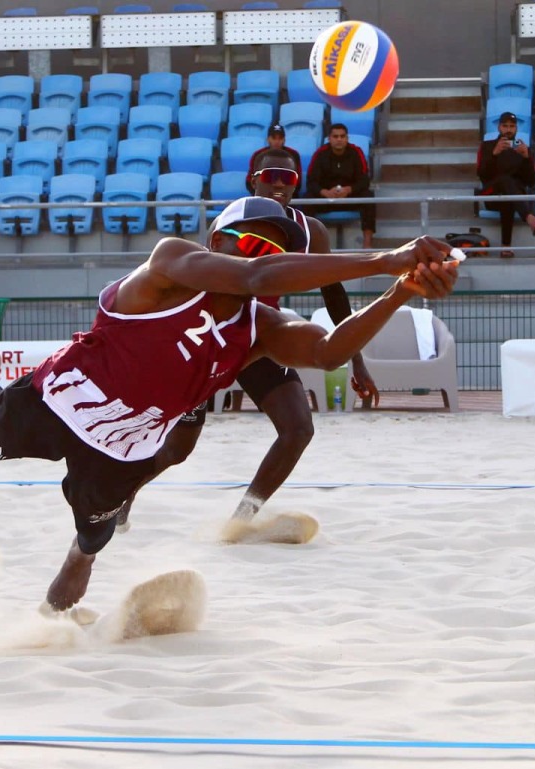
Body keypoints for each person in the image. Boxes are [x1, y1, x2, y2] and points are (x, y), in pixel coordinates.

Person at [0, 196, 460, 612]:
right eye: (254, 244)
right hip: (62, 398)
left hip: (125, 440)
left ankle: (71, 574)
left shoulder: (263, 326)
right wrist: (385, 259)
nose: (263, 257)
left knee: (90, 541)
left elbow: (328, 352)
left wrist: (398, 291)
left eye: (279, 253)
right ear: (217, 241)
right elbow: (257, 276)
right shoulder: (173, 260)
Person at [114, 147, 380, 535]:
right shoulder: (231, 222)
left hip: (259, 336)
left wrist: (356, 358)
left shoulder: (311, 231)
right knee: (177, 449)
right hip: (213, 337)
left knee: (298, 430)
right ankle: (120, 499)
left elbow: (333, 294)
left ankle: (241, 520)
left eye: (287, 178)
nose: (278, 184)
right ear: (252, 180)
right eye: (271, 175)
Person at [477, 111, 535, 258]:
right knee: (505, 180)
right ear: (498, 127)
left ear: (516, 129)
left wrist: (526, 158)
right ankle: (530, 218)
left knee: (508, 197)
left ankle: (506, 247)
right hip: (491, 194)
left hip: (514, 197)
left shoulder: (523, 149)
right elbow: (482, 174)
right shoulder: (487, 146)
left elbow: (531, 181)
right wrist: (494, 155)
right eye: (505, 126)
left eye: (512, 126)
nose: (508, 130)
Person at [306, 123, 376, 248]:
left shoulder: (356, 152)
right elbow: (311, 181)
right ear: (329, 138)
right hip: (327, 199)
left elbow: (364, 180)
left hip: (349, 197)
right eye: (335, 136)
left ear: (347, 138)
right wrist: (324, 192)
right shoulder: (320, 154)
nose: (339, 139)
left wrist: (349, 190)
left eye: (342, 136)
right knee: (307, 198)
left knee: (369, 196)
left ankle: (367, 242)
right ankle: (310, 243)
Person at [245, 123, 302, 193]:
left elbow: (297, 181)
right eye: (274, 138)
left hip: (286, 194)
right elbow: (249, 180)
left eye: (280, 138)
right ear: (268, 139)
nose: (277, 141)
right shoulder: (258, 155)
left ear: (284, 140)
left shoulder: (293, 154)